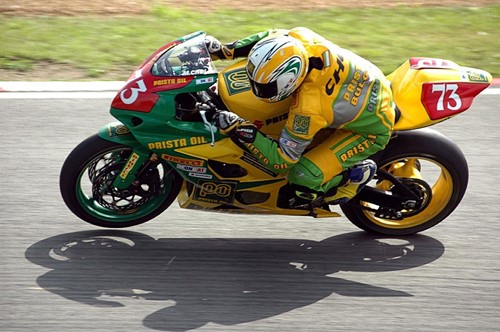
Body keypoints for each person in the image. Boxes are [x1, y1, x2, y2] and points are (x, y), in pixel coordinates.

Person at [206, 27, 396, 206]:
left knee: (302, 177)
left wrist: (239, 127)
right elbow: (269, 36)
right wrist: (225, 50)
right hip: (367, 84)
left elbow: (283, 161)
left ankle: (353, 177)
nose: (257, 90)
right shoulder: (297, 39)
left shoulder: (309, 108)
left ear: (290, 80)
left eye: (266, 88)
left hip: (370, 129)